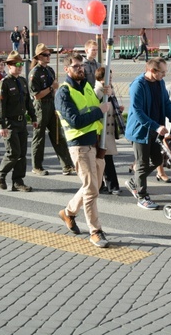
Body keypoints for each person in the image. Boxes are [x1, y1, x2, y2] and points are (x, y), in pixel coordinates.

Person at [56, 54, 112, 248]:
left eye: (81, 66)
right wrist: (100, 110)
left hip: (95, 143)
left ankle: (69, 212)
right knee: (91, 190)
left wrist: (104, 93)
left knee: (91, 186)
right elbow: (76, 120)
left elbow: (93, 105)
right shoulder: (63, 93)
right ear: (66, 70)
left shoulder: (86, 86)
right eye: (75, 66)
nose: (80, 69)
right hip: (79, 145)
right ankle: (95, 231)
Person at [124, 58, 171, 210]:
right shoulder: (138, 85)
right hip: (140, 131)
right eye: (162, 72)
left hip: (155, 130)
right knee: (143, 163)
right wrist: (155, 126)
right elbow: (137, 112)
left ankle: (135, 181)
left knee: (157, 160)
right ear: (152, 71)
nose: (165, 75)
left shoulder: (160, 82)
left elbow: (166, 103)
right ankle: (142, 196)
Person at [29, 43, 76, 176]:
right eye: (45, 55)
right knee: (39, 137)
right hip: (41, 106)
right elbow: (36, 95)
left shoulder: (50, 70)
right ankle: (37, 166)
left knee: (57, 135)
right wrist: (51, 88)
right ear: (38, 57)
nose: (48, 56)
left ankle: (66, 165)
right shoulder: (35, 73)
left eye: (49, 54)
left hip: (51, 104)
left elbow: (54, 90)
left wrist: (56, 99)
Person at [0, 51, 38, 192]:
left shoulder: (22, 81)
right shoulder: (4, 84)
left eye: (21, 64)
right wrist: (1, 125)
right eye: (16, 64)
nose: (19, 67)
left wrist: (34, 117)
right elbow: (0, 107)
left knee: (22, 154)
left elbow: (28, 102)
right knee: (13, 153)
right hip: (10, 123)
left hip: (21, 123)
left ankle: (18, 182)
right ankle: (0, 174)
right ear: (9, 66)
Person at [94, 67, 123, 195]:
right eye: (108, 77)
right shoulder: (98, 91)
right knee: (105, 158)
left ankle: (104, 185)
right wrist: (107, 95)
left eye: (111, 77)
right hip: (101, 130)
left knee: (105, 157)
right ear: (101, 78)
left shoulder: (108, 89)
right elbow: (97, 107)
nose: (111, 79)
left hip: (108, 129)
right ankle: (111, 185)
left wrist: (117, 109)